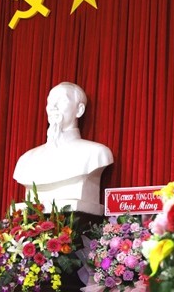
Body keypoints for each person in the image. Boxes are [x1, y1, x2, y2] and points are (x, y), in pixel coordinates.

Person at [13, 82, 113, 215]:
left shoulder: (97, 154)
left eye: (61, 100)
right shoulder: (26, 160)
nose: (53, 107)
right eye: (50, 101)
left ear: (79, 110)